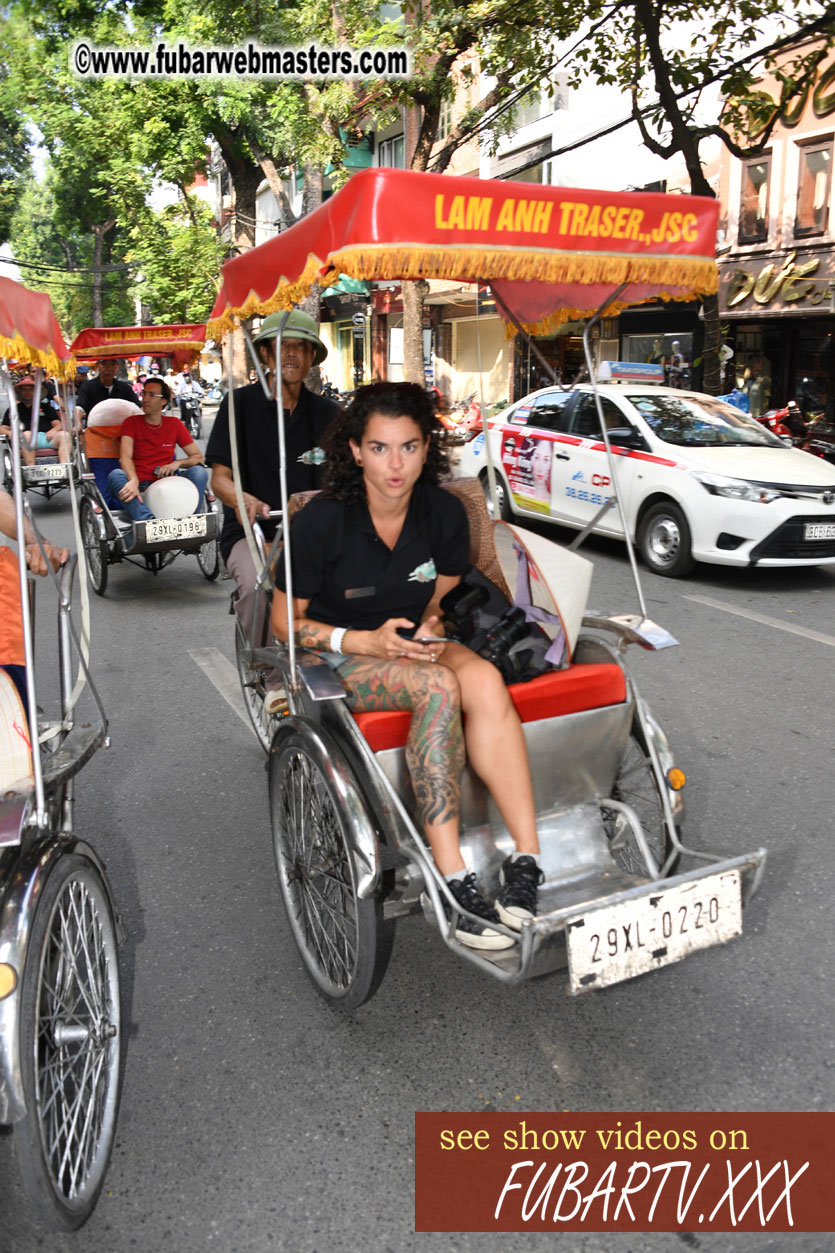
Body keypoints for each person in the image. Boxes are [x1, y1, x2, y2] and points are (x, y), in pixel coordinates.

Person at [271, 381, 544, 951]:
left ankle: (527, 861)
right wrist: (362, 640)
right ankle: (451, 877)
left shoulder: (443, 511)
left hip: (410, 645)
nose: (395, 465)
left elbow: (440, 596)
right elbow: (282, 624)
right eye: (379, 448)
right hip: (337, 655)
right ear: (354, 450)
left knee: (487, 681)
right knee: (440, 686)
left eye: (410, 448)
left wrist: (427, 628)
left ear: (428, 448)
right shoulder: (320, 523)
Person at [205, 309, 341, 699]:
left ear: (312, 356)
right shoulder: (239, 405)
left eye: (301, 346)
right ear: (265, 353)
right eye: (282, 346)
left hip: (313, 530)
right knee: (257, 582)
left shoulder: (329, 413)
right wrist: (241, 499)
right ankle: (271, 673)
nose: (292, 355)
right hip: (252, 529)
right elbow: (219, 479)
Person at [107, 378, 207, 533]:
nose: (145, 399)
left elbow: (198, 457)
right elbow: (125, 457)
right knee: (116, 475)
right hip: (139, 486)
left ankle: (189, 522)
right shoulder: (131, 422)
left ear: (164, 401)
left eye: (152, 395)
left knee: (199, 472)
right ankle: (150, 524)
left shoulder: (174, 424)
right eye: (144, 393)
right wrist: (133, 480)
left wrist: (177, 463)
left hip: (168, 485)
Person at [0, 376, 68, 466]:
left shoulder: (46, 407)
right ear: (20, 392)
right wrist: (11, 434)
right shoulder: (13, 410)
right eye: (24, 390)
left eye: (30, 390)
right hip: (25, 439)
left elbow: (58, 424)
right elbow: (3, 428)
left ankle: (65, 466)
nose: (27, 392)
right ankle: (31, 468)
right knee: (27, 435)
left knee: (65, 435)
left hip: (46, 437)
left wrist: (53, 430)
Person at [75, 357, 136, 430]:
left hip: (120, 432)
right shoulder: (87, 386)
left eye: (112, 364)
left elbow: (137, 407)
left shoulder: (125, 388)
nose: (109, 368)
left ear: (118, 366)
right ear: (97, 366)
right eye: (104, 364)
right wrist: (78, 423)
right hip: (95, 432)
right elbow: (79, 408)